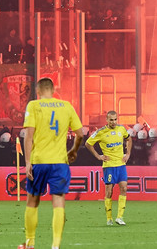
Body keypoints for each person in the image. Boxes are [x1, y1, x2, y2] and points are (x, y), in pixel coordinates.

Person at [19, 77, 85, 249]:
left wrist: (27, 162)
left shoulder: (34, 105)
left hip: (39, 161)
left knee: (32, 201)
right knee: (58, 200)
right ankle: (55, 246)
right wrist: (74, 150)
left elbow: (28, 136)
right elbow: (80, 134)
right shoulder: (66, 106)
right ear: (54, 90)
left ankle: (30, 242)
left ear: (38, 91)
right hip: (60, 163)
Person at [85, 110, 130, 226]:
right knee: (109, 192)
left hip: (121, 165)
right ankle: (109, 218)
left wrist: (128, 153)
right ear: (107, 120)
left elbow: (129, 139)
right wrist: (98, 156)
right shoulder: (100, 132)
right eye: (111, 120)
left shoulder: (121, 129)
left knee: (124, 189)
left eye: (115, 119)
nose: (114, 122)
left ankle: (120, 217)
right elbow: (88, 144)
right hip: (109, 166)